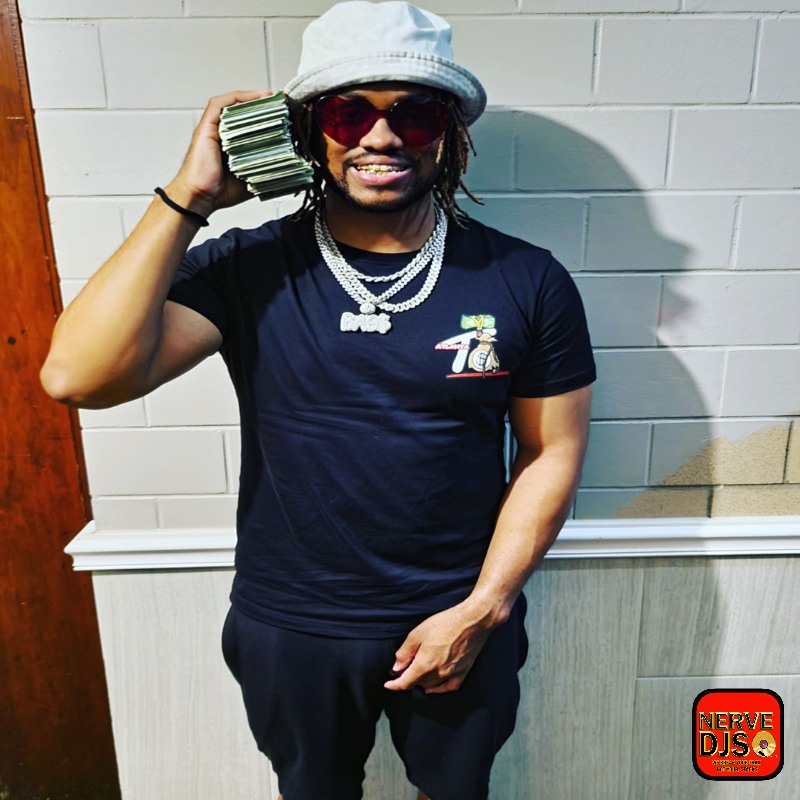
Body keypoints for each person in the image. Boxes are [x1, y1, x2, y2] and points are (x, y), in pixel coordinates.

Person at [41, 2, 595, 798]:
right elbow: (78, 377)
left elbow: (551, 451)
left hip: (455, 612)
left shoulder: (525, 278)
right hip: (291, 623)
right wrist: (190, 197)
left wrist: (486, 607)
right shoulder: (247, 269)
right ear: (310, 129)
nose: (381, 136)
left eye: (414, 112)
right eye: (348, 112)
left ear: (449, 132)